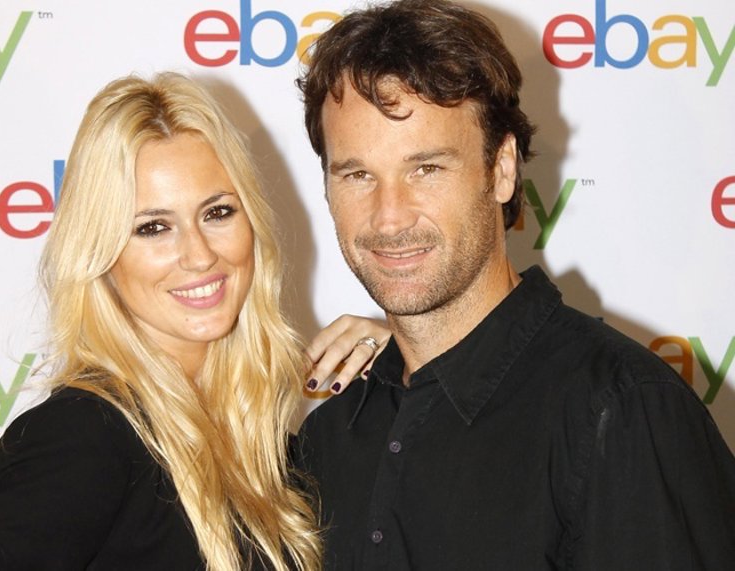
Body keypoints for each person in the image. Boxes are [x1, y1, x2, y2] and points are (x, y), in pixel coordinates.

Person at [293, 0, 735, 569]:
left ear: (502, 169)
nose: (390, 217)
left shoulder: (620, 410)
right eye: (358, 175)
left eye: (426, 168)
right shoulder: (333, 434)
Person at [0, 73, 389, 571]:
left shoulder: (258, 443)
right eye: (153, 227)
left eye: (217, 213)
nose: (199, 255)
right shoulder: (88, 434)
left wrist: (408, 364)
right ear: (101, 253)